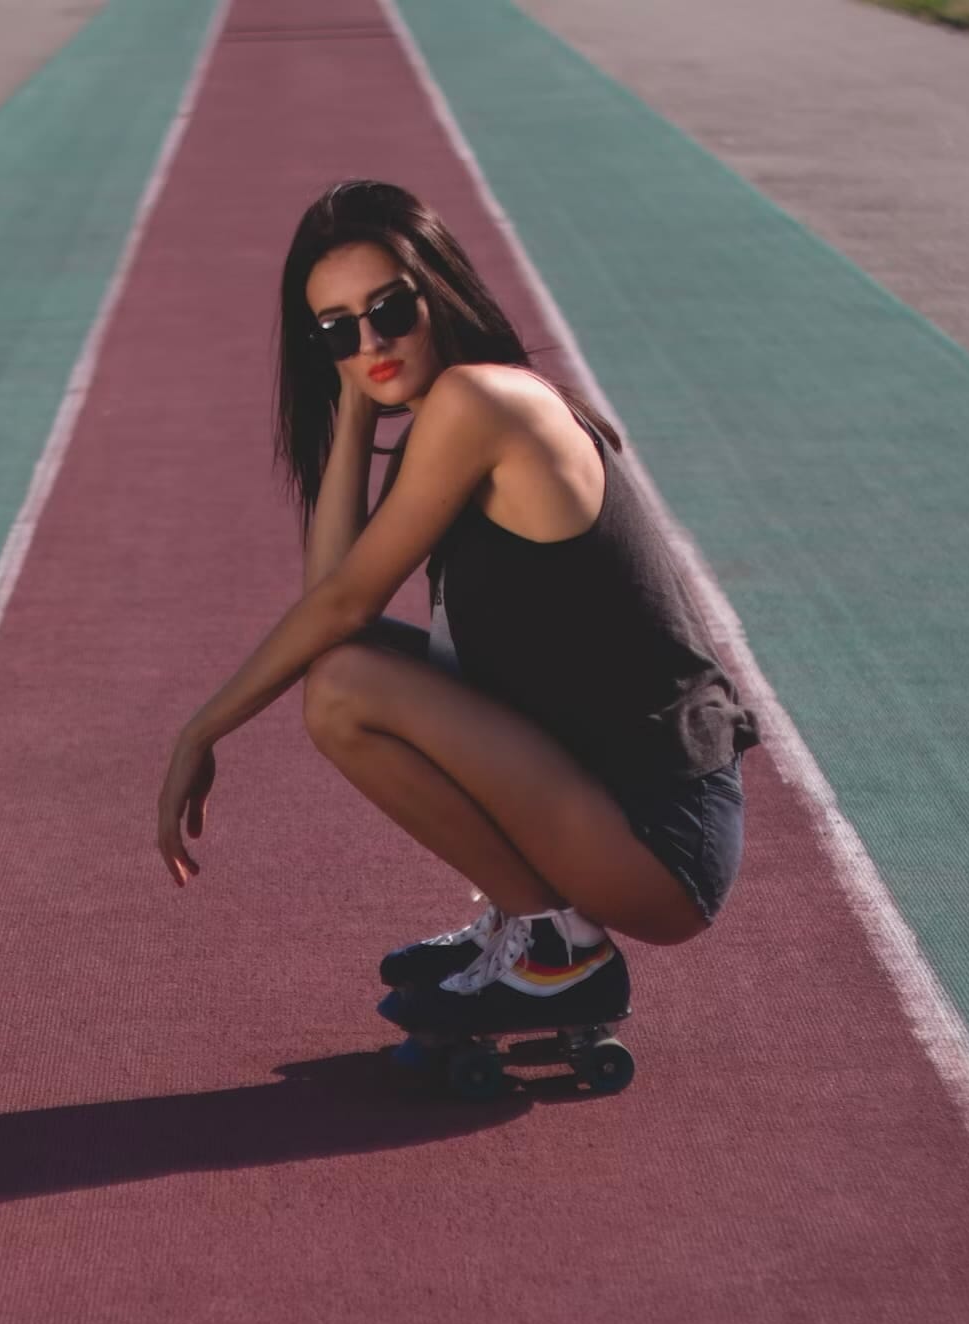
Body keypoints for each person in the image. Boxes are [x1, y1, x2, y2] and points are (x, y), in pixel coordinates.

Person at [155, 178, 758, 1045]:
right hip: (597, 797)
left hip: (659, 836)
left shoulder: (483, 402)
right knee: (340, 675)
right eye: (337, 330)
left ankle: (557, 950)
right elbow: (333, 595)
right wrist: (359, 401)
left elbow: (342, 603)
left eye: (389, 310)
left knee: (344, 685)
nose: (370, 342)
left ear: (436, 290)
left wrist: (198, 732)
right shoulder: (451, 403)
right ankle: (538, 930)